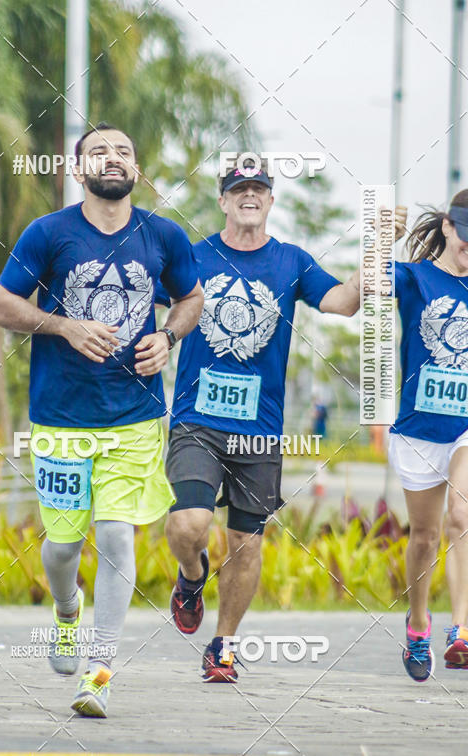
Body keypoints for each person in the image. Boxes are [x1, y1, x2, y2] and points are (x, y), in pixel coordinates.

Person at [0, 123, 203, 717]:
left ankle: (100, 674)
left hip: (135, 418)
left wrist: (168, 336)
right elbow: (1, 305)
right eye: (99, 151)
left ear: (137, 169)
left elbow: (191, 298)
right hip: (61, 418)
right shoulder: (48, 234)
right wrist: (64, 325)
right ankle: (65, 611)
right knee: (61, 548)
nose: (114, 159)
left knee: (114, 536)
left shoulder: (162, 235)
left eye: (125, 151)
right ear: (79, 169)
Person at [159, 156, 365, 682]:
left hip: (259, 430)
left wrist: (376, 259)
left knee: (246, 543)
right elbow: (148, 292)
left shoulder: (291, 262)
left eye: (258, 188)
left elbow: (342, 303)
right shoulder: (194, 256)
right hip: (196, 420)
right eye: (238, 188)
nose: (248, 195)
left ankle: (223, 646)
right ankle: (190, 576)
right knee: (189, 524)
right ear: (223, 200)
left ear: (271, 200)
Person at [389, 192, 468, 682]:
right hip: (419, 427)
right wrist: (380, 242)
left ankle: (461, 630)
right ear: (446, 226)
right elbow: (363, 292)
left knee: (462, 513)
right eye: (465, 236)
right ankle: (418, 621)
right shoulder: (414, 277)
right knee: (425, 536)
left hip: (465, 425)